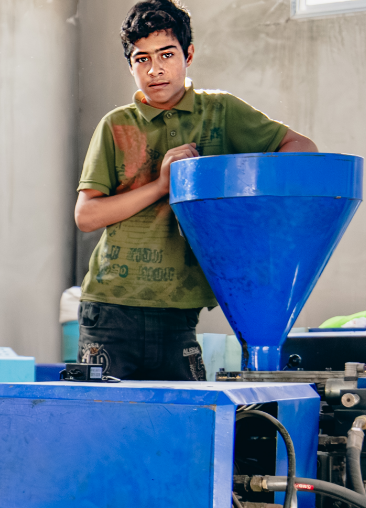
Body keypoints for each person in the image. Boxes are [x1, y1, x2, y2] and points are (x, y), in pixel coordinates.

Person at [73, 0, 318, 380]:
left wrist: (241, 201)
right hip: (109, 308)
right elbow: (86, 216)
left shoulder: (221, 112)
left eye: (166, 54)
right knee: (106, 414)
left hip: (180, 311)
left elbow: (302, 148)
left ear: (188, 55)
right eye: (141, 59)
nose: (155, 69)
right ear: (130, 66)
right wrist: (161, 185)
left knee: (186, 414)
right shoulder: (115, 125)